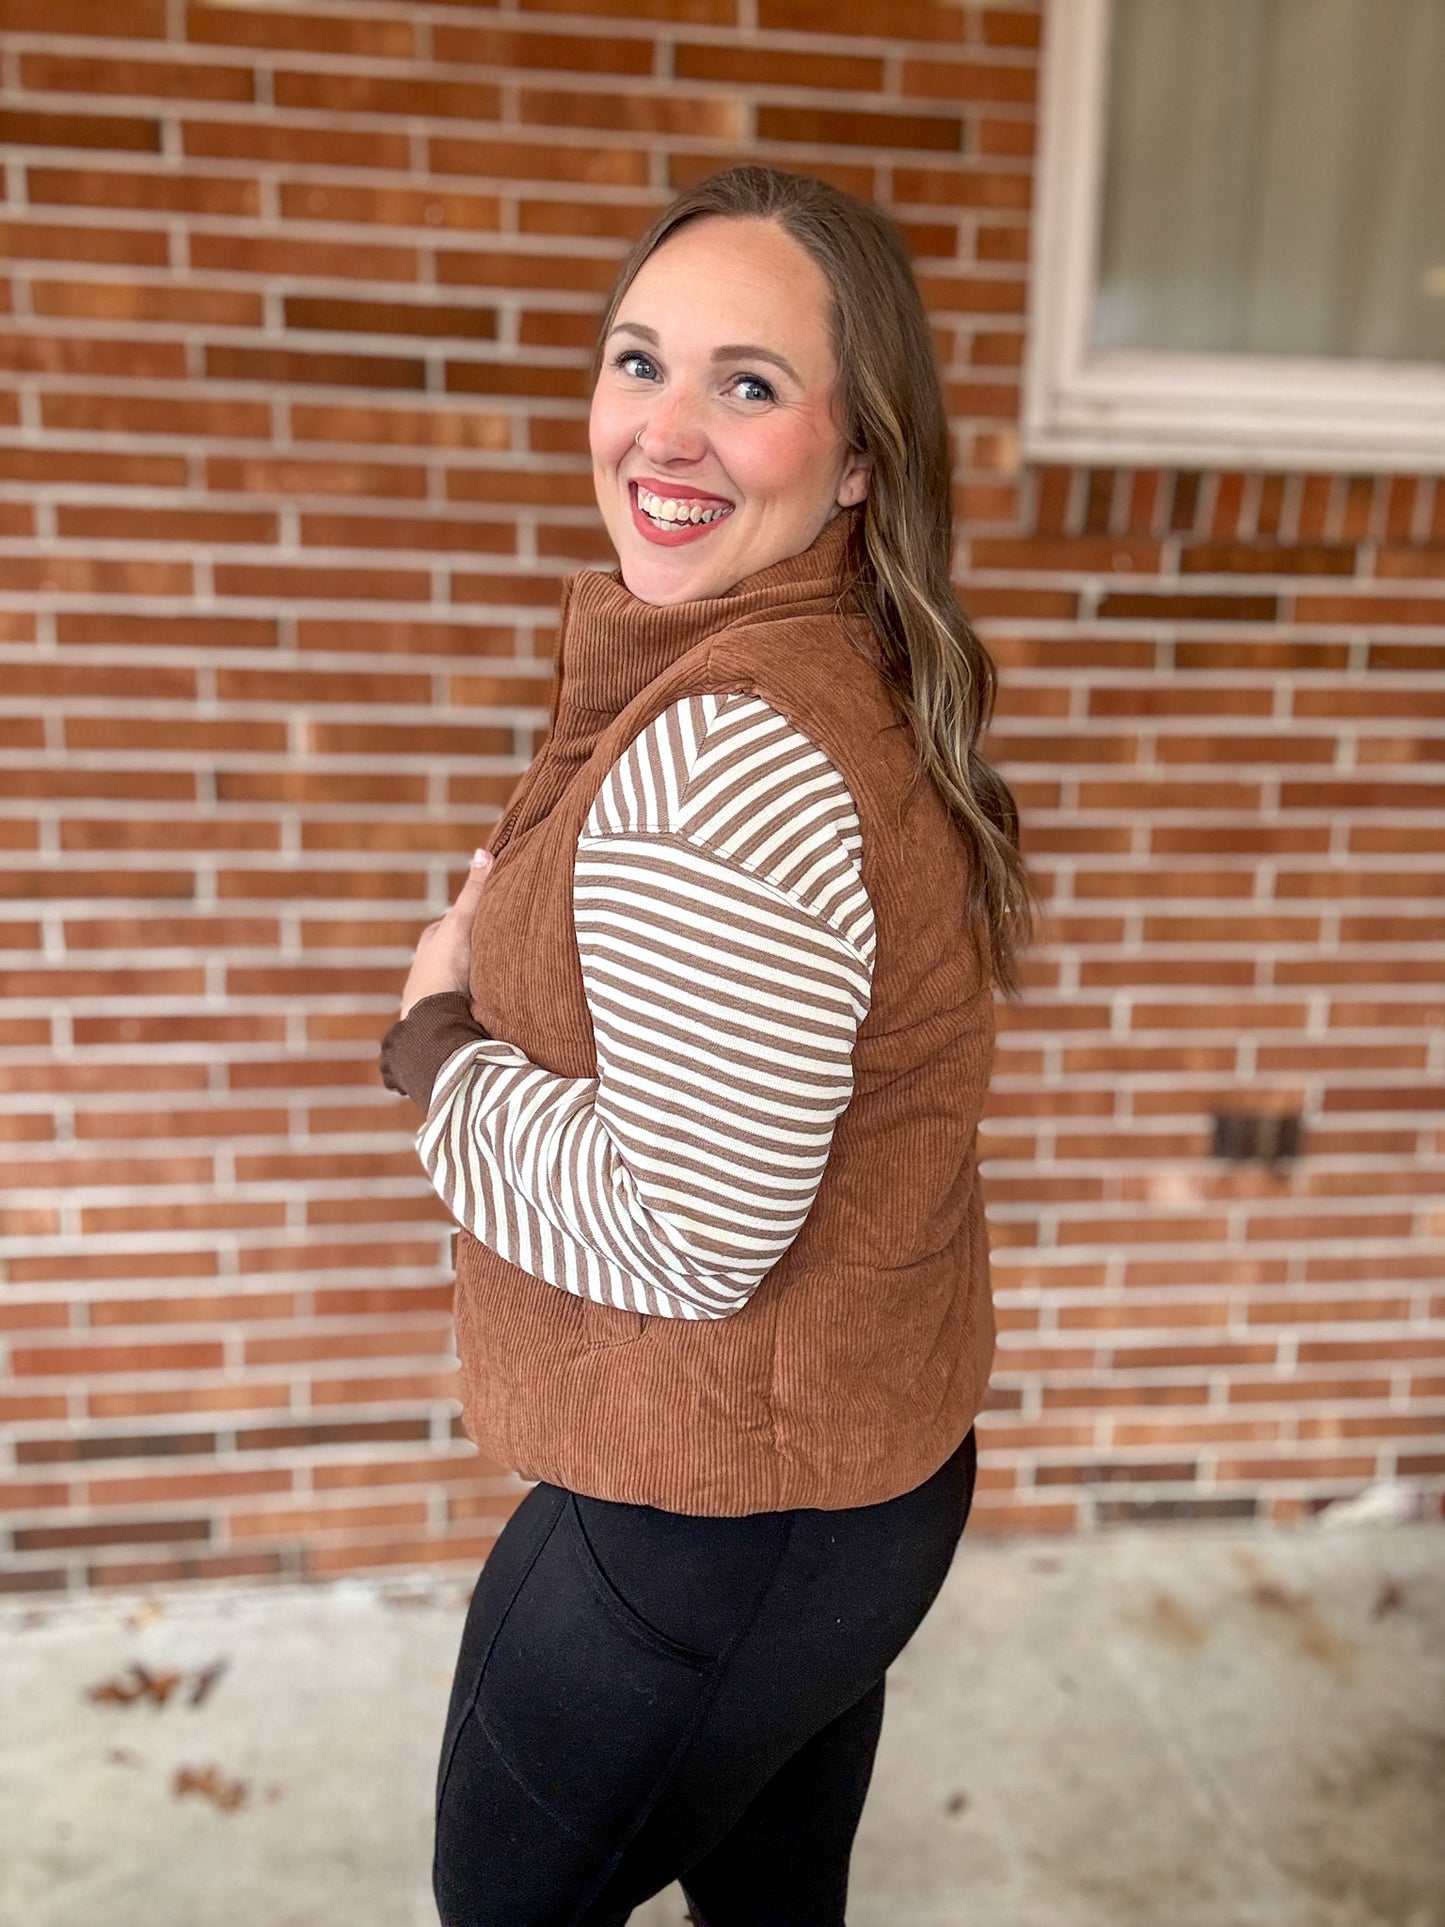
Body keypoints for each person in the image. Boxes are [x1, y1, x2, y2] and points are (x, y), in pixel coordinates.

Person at [379, 164, 1035, 1927]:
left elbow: (686, 1232)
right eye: (636, 361)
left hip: (709, 1527)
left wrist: (436, 1043)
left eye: (747, 384)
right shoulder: (851, 663)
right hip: (840, 1495)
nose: (662, 430)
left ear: (856, 455)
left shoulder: (718, 759)